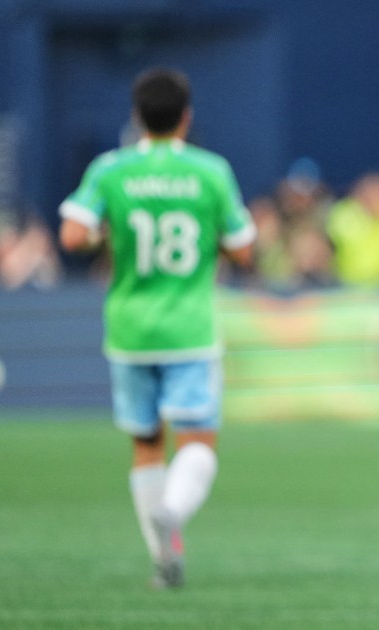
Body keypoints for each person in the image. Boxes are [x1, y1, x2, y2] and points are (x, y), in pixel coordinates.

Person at [58, 68, 256, 589]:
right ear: (186, 117)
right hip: (189, 329)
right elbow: (244, 249)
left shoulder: (111, 169)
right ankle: (173, 511)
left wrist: (111, 235)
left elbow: (73, 236)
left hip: (129, 330)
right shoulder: (210, 171)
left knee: (147, 445)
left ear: (137, 117)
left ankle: (163, 561)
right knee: (198, 441)